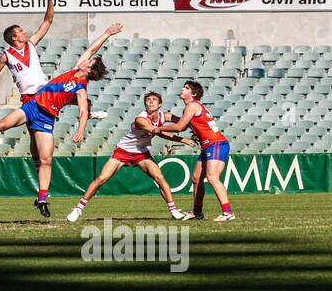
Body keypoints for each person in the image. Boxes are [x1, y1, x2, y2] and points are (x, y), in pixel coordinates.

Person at [0, 23, 122, 217]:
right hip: (34, 104)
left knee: (47, 158)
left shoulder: (81, 86)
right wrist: (106, 33)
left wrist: (81, 128)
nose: (87, 59)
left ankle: (43, 198)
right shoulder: (74, 70)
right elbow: (91, 48)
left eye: (90, 61)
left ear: (89, 68)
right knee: (3, 125)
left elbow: (81, 110)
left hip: (47, 114)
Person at [66, 92, 194, 222]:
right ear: (145, 104)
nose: (150, 102)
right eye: (148, 100)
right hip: (123, 151)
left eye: (154, 100)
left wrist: (192, 124)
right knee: (101, 179)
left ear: (160, 104)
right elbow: (157, 131)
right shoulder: (141, 119)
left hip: (142, 152)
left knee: (160, 178)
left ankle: (173, 210)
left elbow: (184, 123)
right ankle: (78, 208)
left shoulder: (165, 115)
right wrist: (182, 138)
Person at [0, 0, 56, 176]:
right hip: (27, 97)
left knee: (45, 132)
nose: (25, 32)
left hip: (44, 94)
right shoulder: (6, 55)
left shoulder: (31, 44)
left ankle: (87, 113)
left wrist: (49, 1)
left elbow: (47, 22)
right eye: (20, 31)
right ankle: (37, 164)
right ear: (13, 38)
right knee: (33, 133)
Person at [153, 81, 235, 221]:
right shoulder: (191, 107)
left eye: (186, 88)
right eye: (183, 87)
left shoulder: (192, 105)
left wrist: (159, 128)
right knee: (196, 179)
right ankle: (197, 212)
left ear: (193, 94)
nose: (182, 89)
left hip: (216, 143)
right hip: (209, 145)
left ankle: (228, 213)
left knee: (212, 177)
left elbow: (179, 127)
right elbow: (184, 127)